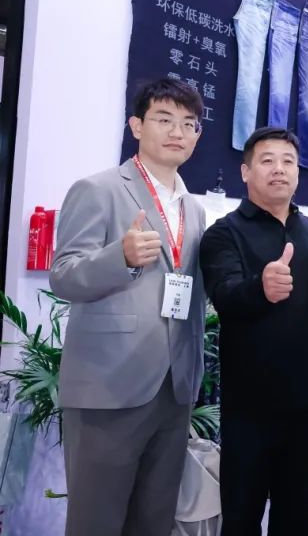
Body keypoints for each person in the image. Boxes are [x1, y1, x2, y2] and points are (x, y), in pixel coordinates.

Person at [50, 77, 207, 536]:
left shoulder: (193, 209)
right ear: (136, 126)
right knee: (96, 521)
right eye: (164, 119)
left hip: (174, 387)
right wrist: (119, 256)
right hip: (109, 384)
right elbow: (64, 275)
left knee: (154, 520)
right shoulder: (98, 189)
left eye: (189, 124)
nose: (178, 132)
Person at [200, 127, 308, 536]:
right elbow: (225, 295)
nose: (279, 169)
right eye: (267, 161)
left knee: (301, 516)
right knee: (242, 517)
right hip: (251, 407)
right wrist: (260, 288)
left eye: (288, 161)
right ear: (245, 172)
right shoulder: (223, 233)